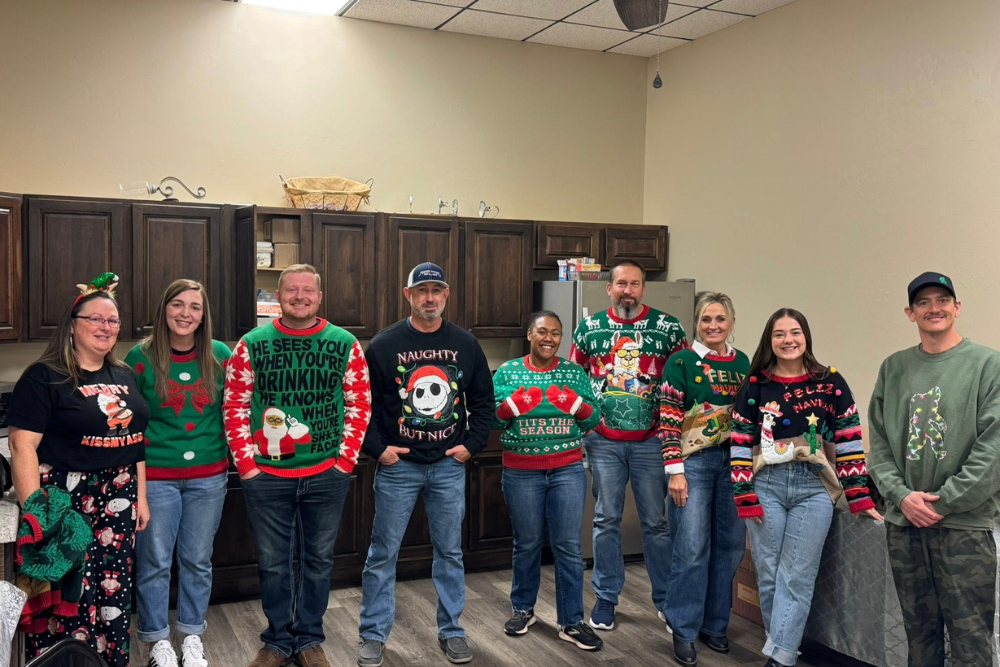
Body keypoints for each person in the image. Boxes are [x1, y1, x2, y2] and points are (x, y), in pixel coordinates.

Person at [223, 264, 371, 667]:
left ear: (319, 298)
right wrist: (248, 467)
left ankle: (308, 640)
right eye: (291, 290)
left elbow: (359, 404)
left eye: (308, 290)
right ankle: (276, 641)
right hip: (266, 475)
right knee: (272, 562)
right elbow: (234, 405)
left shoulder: (344, 343)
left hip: (327, 473)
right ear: (278, 297)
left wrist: (344, 463)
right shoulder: (251, 344)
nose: (299, 296)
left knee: (319, 560)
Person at [7, 273, 150, 667]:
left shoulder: (124, 374)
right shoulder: (45, 375)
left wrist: (140, 495)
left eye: (113, 320)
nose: (106, 327)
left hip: (118, 497)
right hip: (64, 498)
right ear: (73, 325)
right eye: (96, 319)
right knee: (67, 591)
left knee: (113, 593)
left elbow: (136, 439)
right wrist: (37, 510)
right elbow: (22, 445)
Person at [357, 262, 494, 667]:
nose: (429, 298)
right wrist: (378, 449)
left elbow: (483, 402)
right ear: (408, 295)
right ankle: (372, 634)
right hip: (398, 467)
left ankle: (452, 630)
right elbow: (361, 404)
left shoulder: (466, 343)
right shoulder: (384, 344)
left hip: (449, 466)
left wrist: (471, 445)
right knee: (383, 553)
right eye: (422, 291)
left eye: (436, 290)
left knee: (450, 552)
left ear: (446, 295)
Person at [730, 308, 881, 667]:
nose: (788, 340)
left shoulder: (831, 383)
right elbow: (738, 443)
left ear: (806, 337)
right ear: (770, 340)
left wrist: (858, 496)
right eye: (779, 334)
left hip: (813, 488)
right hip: (765, 485)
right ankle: (780, 648)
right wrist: (744, 495)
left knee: (796, 576)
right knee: (769, 574)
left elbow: (848, 440)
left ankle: (780, 658)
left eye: (795, 332)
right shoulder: (755, 386)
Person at [868, 272, 1000, 667]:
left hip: (964, 526)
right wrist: (902, 497)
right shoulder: (893, 368)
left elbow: (993, 450)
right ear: (910, 313)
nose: (934, 308)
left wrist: (944, 502)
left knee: (970, 639)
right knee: (918, 636)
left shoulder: (987, 364)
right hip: (905, 524)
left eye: (943, 299)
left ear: (957, 307)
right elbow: (878, 446)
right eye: (923, 302)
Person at [569, 260, 687, 632]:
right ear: (609, 288)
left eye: (635, 284)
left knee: (656, 523)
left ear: (643, 289)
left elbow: (681, 381)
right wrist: (586, 428)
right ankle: (606, 598)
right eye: (621, 284)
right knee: (606, 520)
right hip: (603, 442)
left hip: (653, 441)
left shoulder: (668, 328)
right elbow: (575, 378)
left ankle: (666, 601)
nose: (627, 291)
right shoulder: (589, 328)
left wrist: (674, 436)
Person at [126, 279, 231, 667]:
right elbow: (130, 425)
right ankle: (157, 641)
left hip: (209, 477)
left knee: (198, 560)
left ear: (204, 315)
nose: (186, 314)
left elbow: (236, 408)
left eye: (195, 307)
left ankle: (191, 635)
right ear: (164, 309)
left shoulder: (220, 355)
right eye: (178, 305)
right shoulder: (140, 359)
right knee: (155, 561)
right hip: (156, 477)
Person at [494, 310, 603, 651]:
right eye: (543, 331)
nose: (549, 338)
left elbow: (593, 419)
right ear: (529, 334)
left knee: (568, 546)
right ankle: (523, 609)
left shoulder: (572, 372)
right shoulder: (509, 371)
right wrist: (512, 406)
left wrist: (573, 405)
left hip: (567, 470)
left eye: (556, 333)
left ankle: (571, 621)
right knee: (526, 543)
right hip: (521, 470)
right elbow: (494, 419)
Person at [658, 292, 749, 666]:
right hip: (693, 462)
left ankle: (715, 624)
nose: (713, 326)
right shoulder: (680, 361)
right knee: (692, 547)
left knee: (729, 547)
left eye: (720, 319)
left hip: (735, 463)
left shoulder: (743, 362)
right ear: (696, 322)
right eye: (706, 319)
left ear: (731, 322)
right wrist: (674, 471)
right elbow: (667, 417)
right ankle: (684, 629)